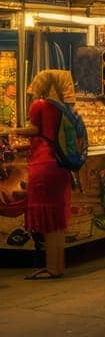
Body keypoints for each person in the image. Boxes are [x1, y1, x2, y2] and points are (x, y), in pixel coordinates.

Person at [6, 69, 76, 279]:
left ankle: (51, 268)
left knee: (49, 221)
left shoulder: (38, 104)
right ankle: (57, 267)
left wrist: (13, 131)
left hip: (43, 162)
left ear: (39, 84)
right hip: (58, 164)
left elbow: (37, 130)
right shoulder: (60, 106)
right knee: (56, 221)